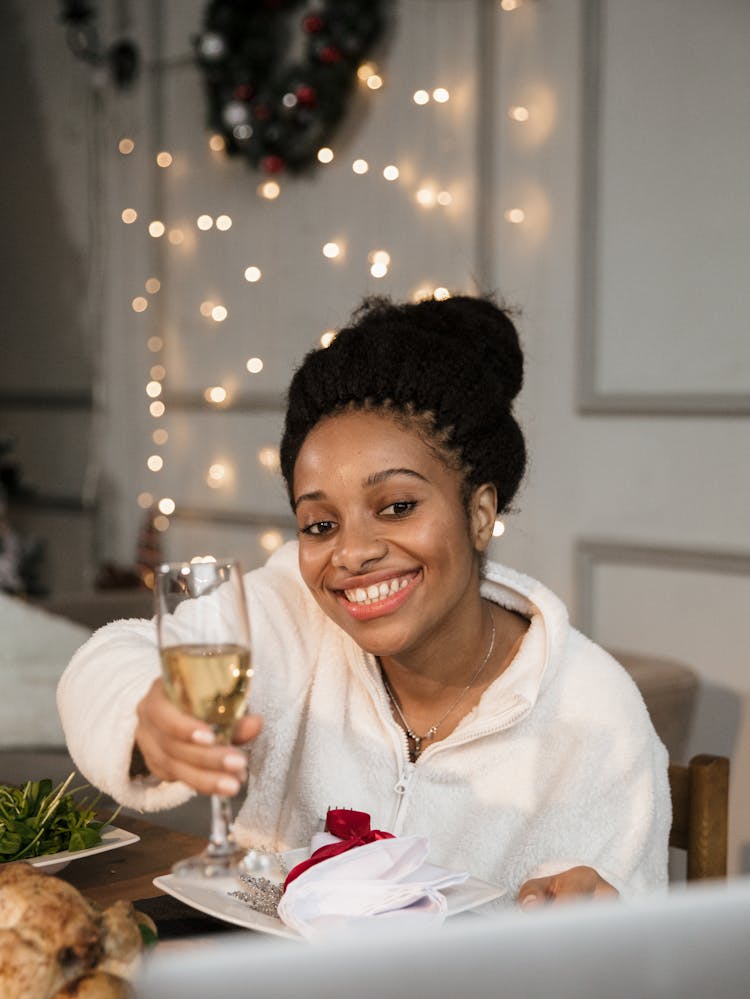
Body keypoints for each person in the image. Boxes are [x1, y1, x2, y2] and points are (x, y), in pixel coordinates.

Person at [57, 295, 670, 905]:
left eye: (398, 507)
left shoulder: (593, 714)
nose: (352, 553)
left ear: (479, 514)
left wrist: (593, 914)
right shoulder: (289, 614)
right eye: (320, 525)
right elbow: (110, 655)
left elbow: (633, 951)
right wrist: (146, 718)